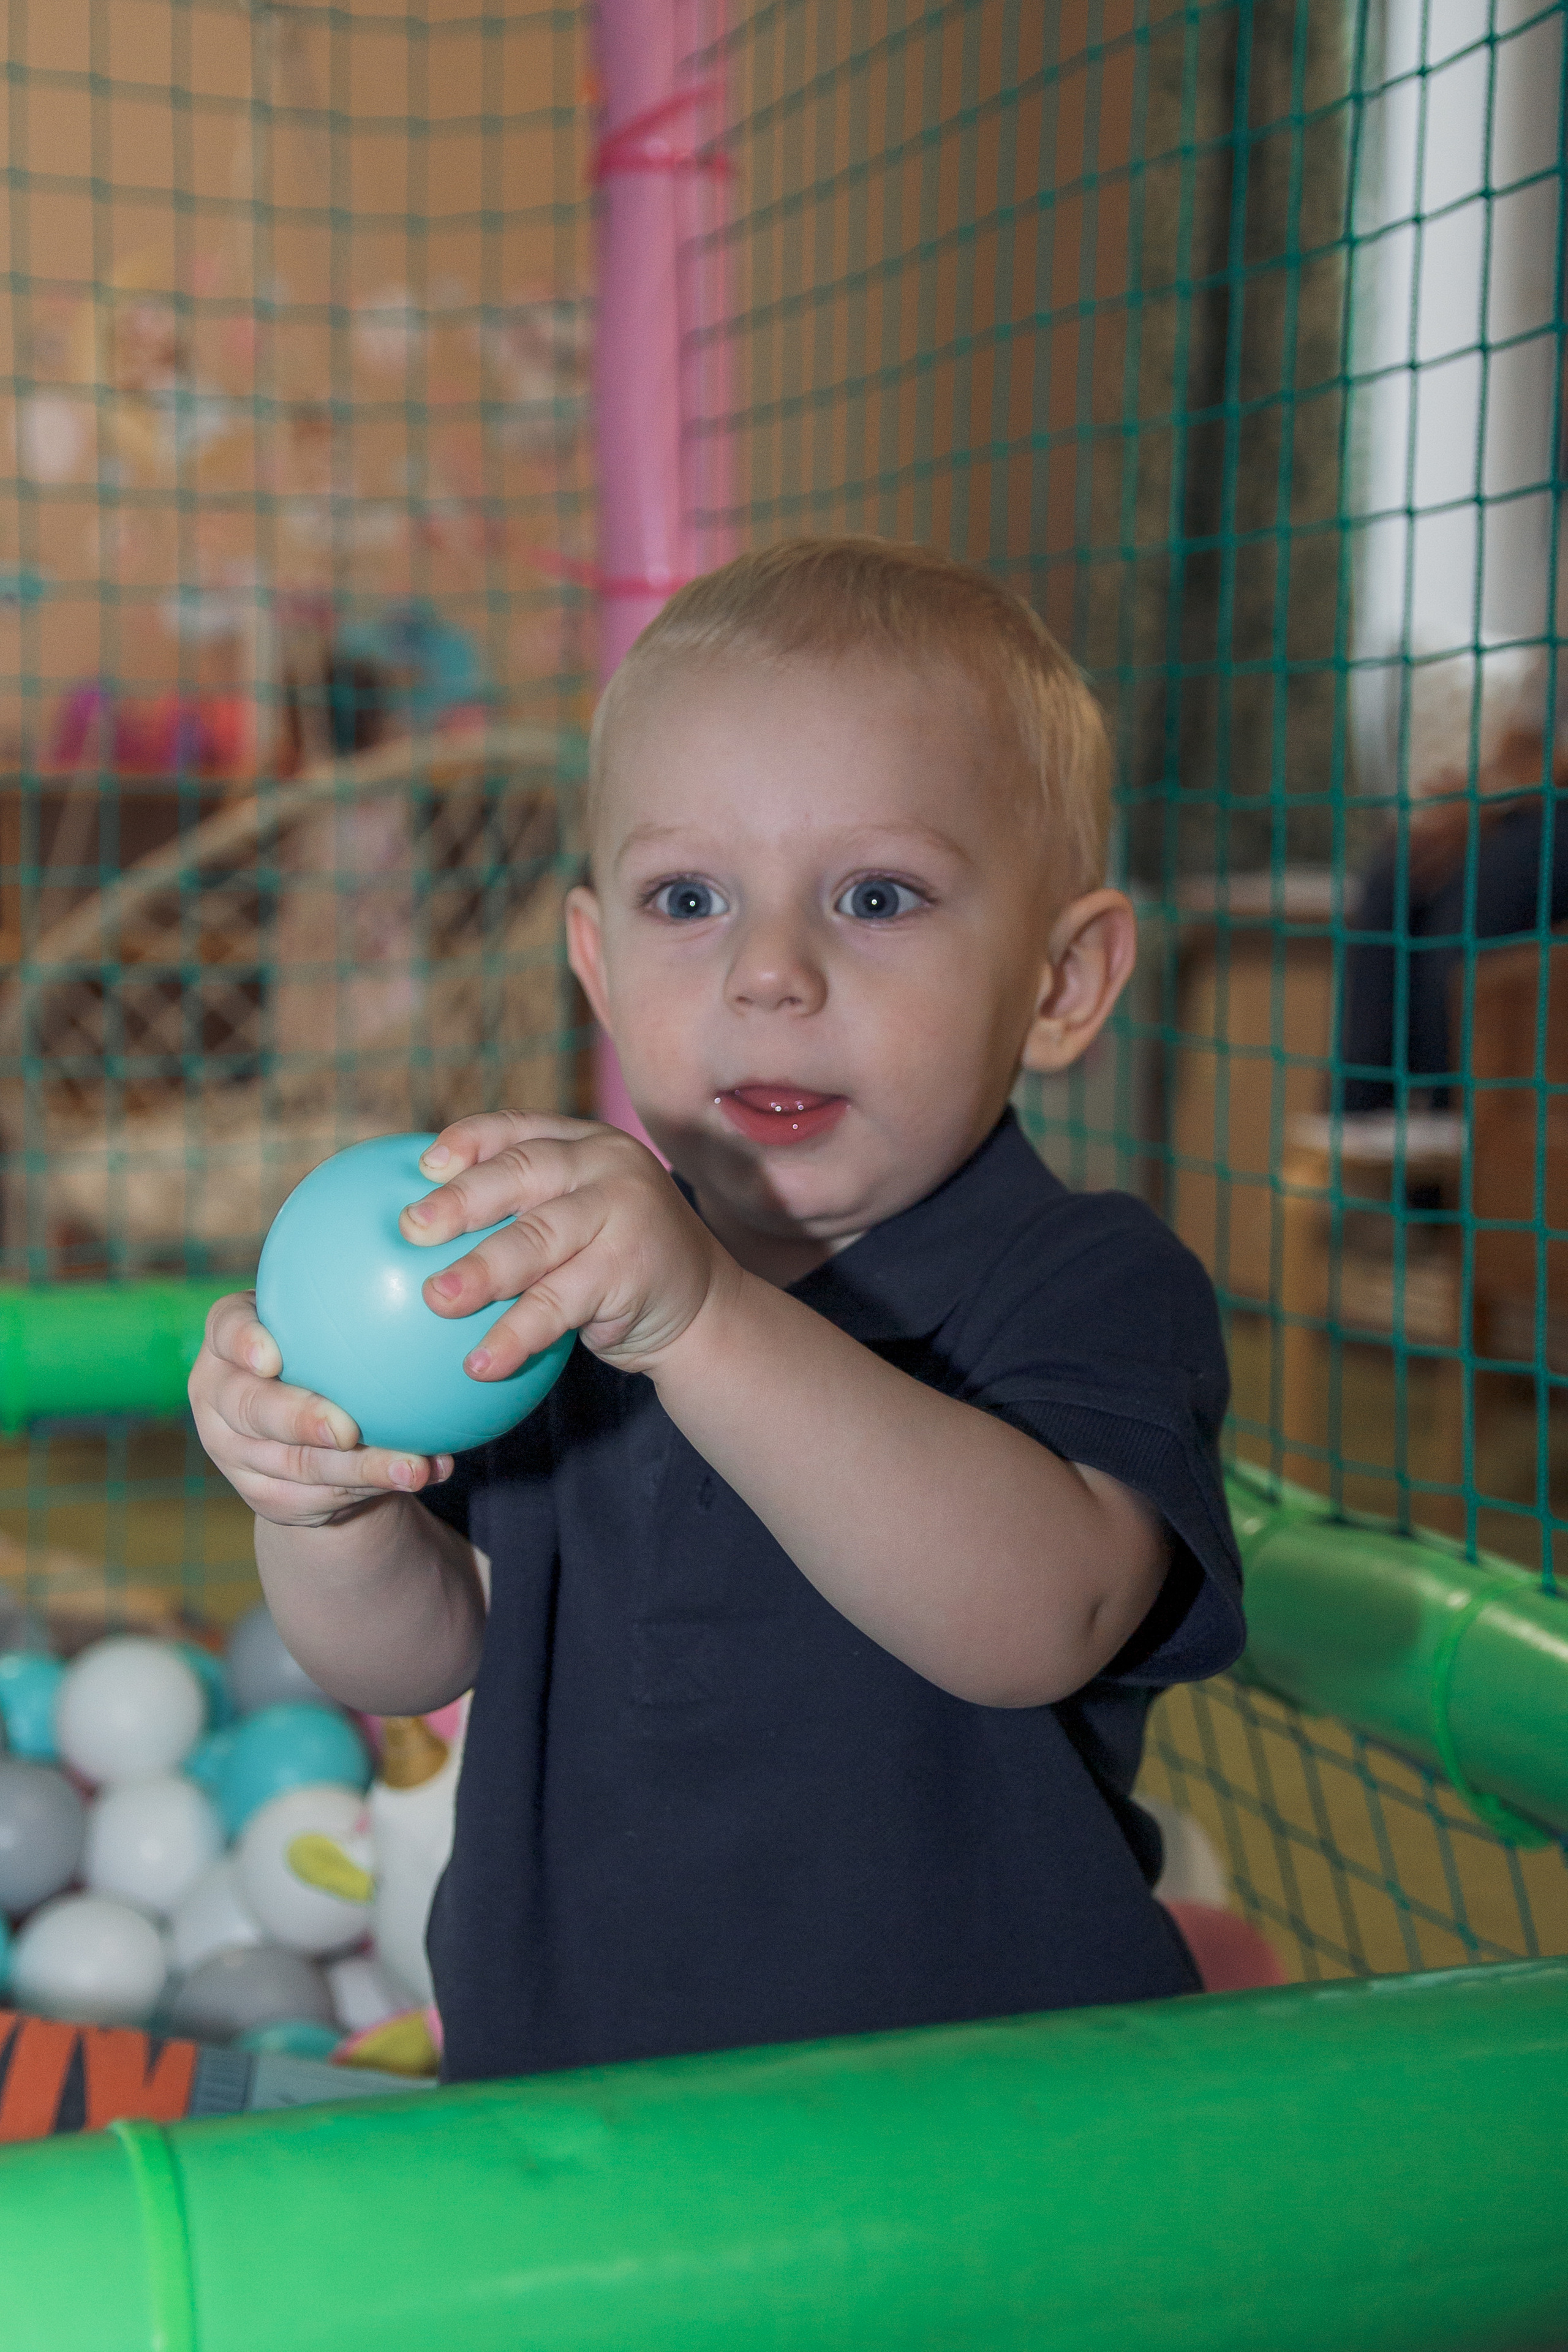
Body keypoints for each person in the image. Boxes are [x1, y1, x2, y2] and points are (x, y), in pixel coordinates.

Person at [189, 539, 1244, 2082]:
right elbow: (417, 1661)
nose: (767, 973)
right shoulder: (563, 1276)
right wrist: (326, 1510)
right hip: (574, 2113)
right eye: (687, 898)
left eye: (875, 896)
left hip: (976, 2130)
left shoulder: (1086, 1277)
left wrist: (699, 1325)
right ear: (598, 965)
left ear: (1060, 980)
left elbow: (1040, 1623)